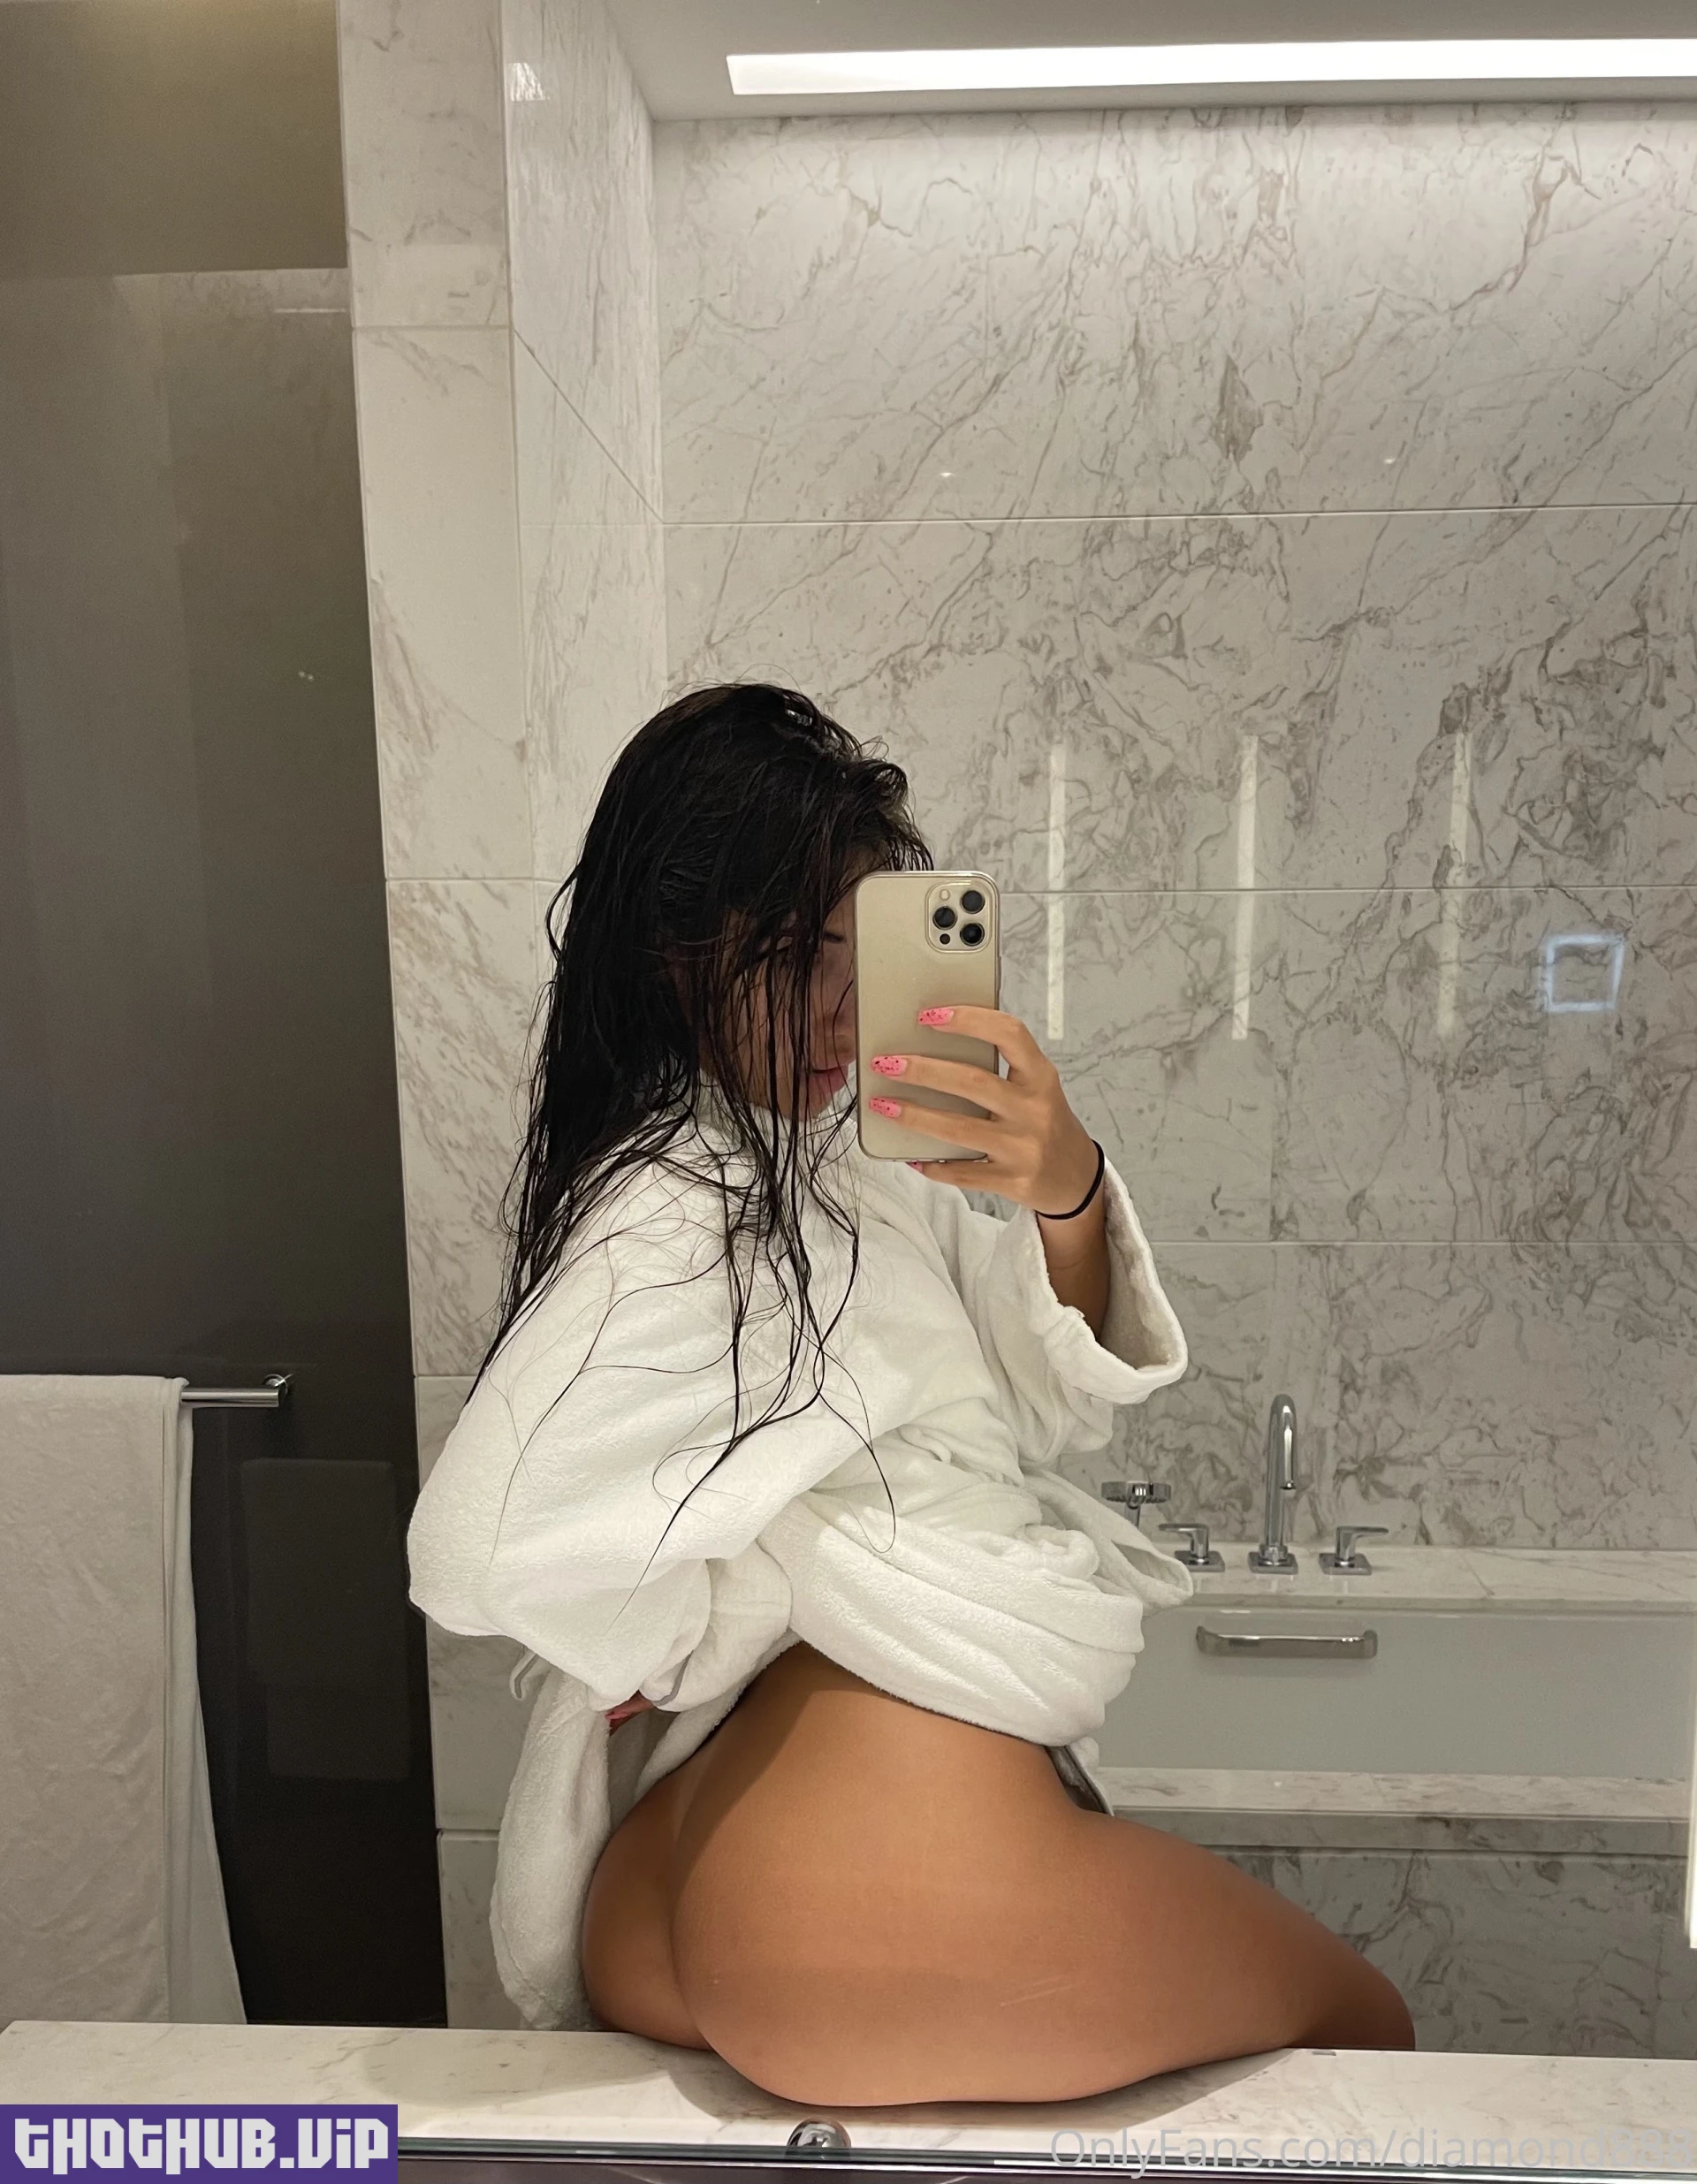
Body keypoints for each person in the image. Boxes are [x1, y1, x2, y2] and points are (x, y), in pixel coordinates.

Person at [407, 682, 1414, 2105]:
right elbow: (473, 1544)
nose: (842, 1007)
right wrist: (710, 1606)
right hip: (852, 1888)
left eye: (861, 949)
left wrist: (1065, 1190)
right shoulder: (680, 1203)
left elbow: (1046, 1395)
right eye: (792, 953)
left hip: (691, 1879)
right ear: (675, 951)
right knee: (1369, 2029)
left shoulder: (836, 1165)